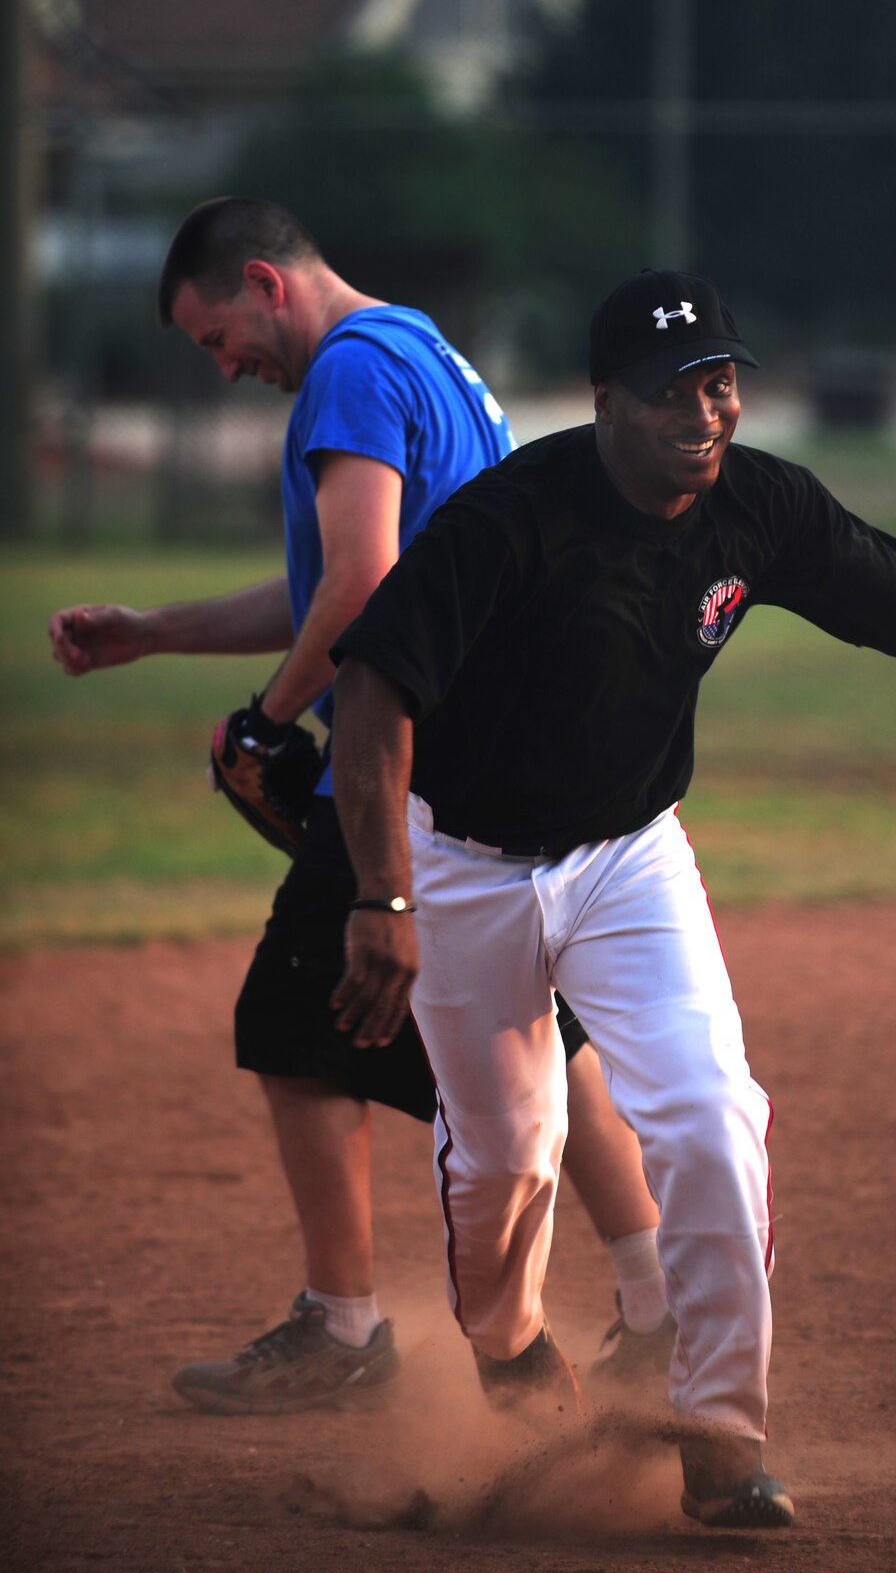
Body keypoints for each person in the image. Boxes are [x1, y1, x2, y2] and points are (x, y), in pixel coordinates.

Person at [325, 266, 896, 1531]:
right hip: (466, 864)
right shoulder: (507, 521)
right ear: (604, 403)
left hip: (628, 852)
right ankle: (508, 1340)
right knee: (502, 1164)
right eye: (669, 393)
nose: (705, 412)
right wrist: (382, 894)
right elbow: (372, 687)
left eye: (719, 381)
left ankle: (717, 1432)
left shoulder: (755, 509)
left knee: (709, 1112)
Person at [47, 198, 673, 1415]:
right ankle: (653, 1306)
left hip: (403, 761)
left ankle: (343, 1328)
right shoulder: (417, 349)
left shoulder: (342, 374)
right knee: (547, 1038)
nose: (225, 365)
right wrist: (155, 633)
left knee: (291, 1019)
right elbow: (337, 583)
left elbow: (362, 586)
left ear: (267, 285)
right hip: (496, 751)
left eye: (216, 333)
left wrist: (267, 723)